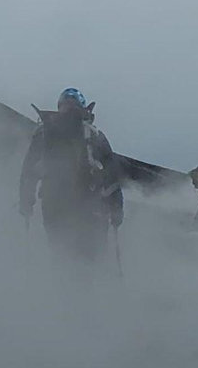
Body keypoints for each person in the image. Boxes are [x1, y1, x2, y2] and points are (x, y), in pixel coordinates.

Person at [18, 88, 124, 261]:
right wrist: (117, 210)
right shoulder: (95, 135)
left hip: (54, 205)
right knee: (90, 261)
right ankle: (86, 286)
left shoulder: (44, 132)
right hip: (91, 206)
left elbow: (29, 170)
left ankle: (63, 285)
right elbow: (112, 177)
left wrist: (26, 202)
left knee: (61, 255)